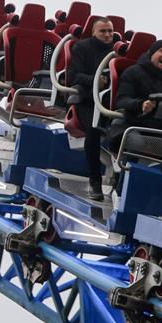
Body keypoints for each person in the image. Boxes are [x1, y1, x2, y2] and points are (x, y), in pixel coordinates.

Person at [65, 16, 116, 201]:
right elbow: (74, 76)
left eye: (110, 31)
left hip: (110, 102)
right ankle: (95, 181)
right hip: (87, 100)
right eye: (103, 31)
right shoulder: (82, 47)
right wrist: (96, 81)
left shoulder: (117, 50)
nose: (107, 35)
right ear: (94, 32)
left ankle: (118, 180)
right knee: (93, 132)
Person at [104, 39, 162, 156]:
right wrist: (141, 104)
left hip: (158, 128)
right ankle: (125, 173)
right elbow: (121, 100)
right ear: (152, 53)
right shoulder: (133, 72)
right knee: (136, 143)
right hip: (130, 123)